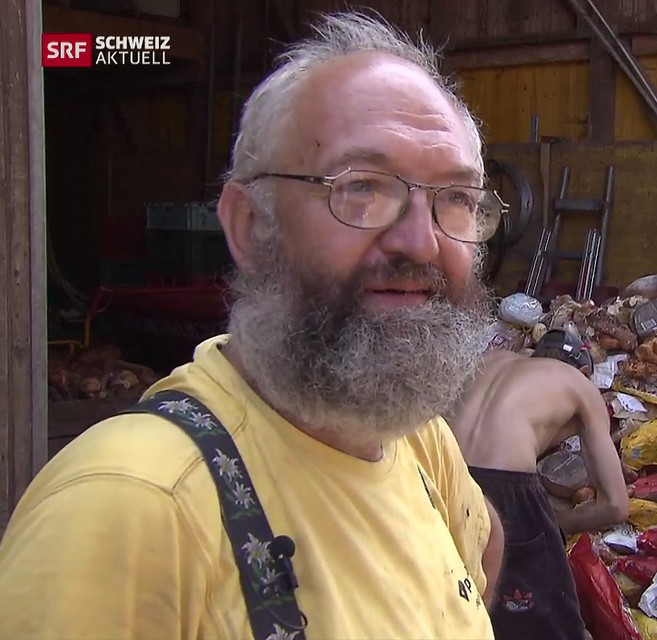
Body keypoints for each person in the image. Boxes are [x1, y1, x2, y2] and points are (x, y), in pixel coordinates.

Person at [0, 12, 507, 639]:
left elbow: (478, 558)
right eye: (363, 188)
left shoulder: (420, 443)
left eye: (455, 197)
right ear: (250, 226)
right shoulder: (130, 508)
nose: (423, 242)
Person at [445, 328, 630, 640]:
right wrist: (555, 525)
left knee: (452, 593)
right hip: (504, 487)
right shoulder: (579, 386)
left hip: (442, 473)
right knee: (551, 620)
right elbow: (615, 505)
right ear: (583, 369)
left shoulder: (490, 361)